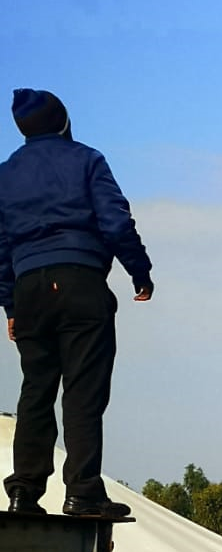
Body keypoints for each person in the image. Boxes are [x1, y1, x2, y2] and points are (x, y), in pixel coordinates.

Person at [1, 90, 153, 519]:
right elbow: (115, 221)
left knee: (36, 389)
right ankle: (82, 491)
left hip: (30, 287)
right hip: (81, 281)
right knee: (83, 393)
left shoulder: (5, 175)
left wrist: (10, 305)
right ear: (64, 120)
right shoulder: (87, 160)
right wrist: (139, 271)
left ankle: (23, 493)